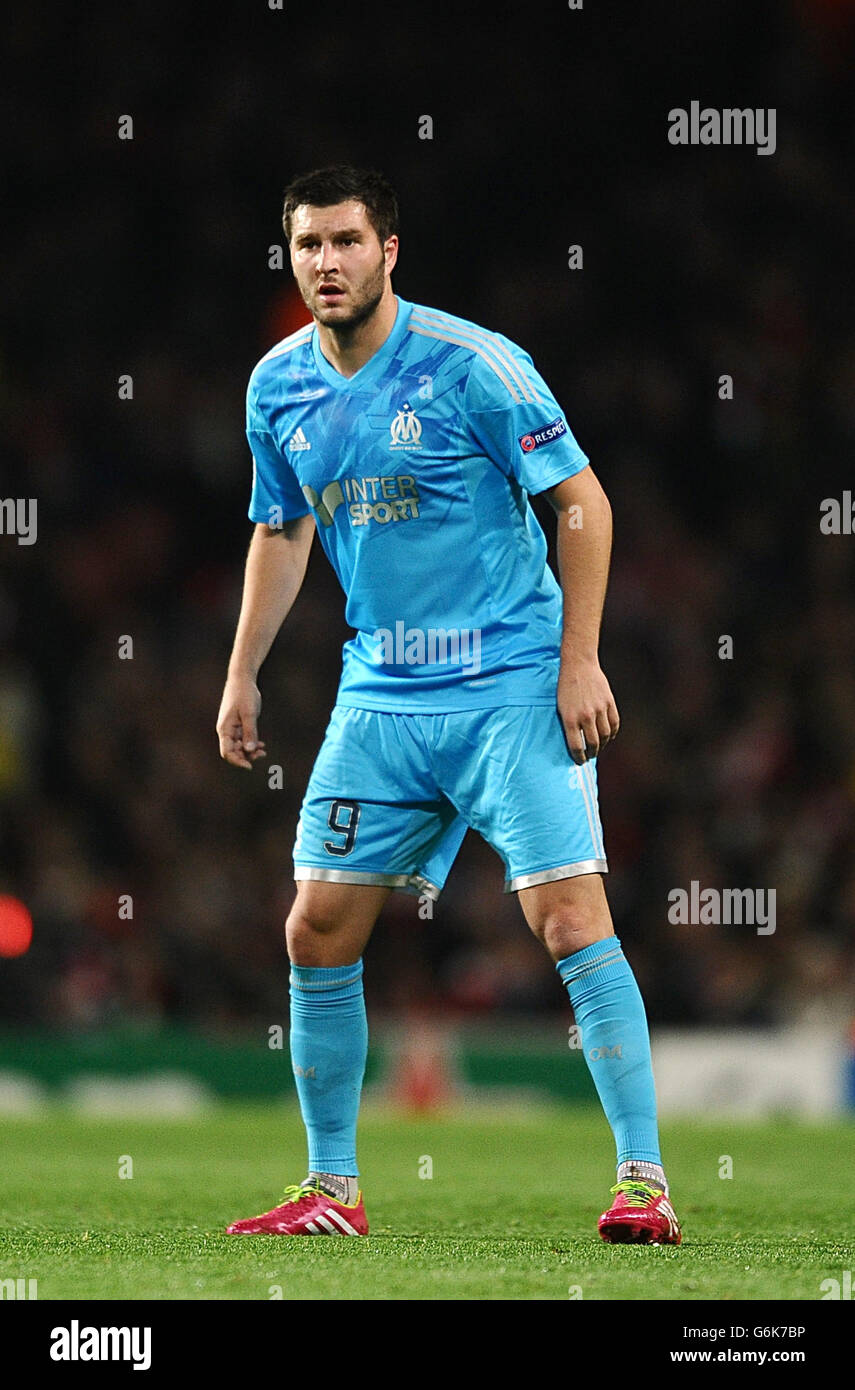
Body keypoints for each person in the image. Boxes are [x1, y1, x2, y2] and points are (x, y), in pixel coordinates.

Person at [216, 164, 681, 1245]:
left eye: (345, 241)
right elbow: (281, 530)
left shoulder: (475, 367)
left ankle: (645, 1182)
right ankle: (331, 1190)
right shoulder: (276, 386)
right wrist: (241, 670)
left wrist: (579, 658)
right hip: (379, 690)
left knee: (568, 918)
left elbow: (583, 502)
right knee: (316, 929)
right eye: (307, 246)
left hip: (511, 681)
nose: (325, 263)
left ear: (389, 251)